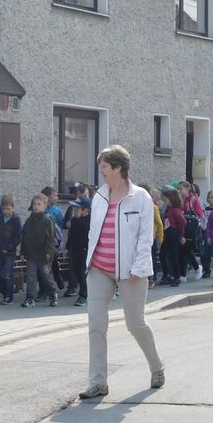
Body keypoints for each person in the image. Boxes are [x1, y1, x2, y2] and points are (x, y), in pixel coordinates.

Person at [79, 145, 165, 399]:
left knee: (135, 323)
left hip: (131, 272)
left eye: (104, 166)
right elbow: (93, 233)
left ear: (118, 167)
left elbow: (145, 237)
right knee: (96, 323)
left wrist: (139, 267)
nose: (101, 171)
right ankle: (98, 382)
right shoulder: (99, 196)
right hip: (99, 269)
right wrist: (89, 263)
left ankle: (157, 367)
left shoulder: (141, 198)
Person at [19, 193, 58, 308]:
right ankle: (30, 298)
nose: (36, 206)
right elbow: (24, 237)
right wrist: (22, 252)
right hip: (31, 255)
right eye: (34, 204)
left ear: (45, 206)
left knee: (46, 276)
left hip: (44, 255)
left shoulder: (47, 220)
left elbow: (51, 239)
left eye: (39, 204)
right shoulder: (29, 221)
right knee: (31, 277)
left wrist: (49, 254)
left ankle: (52, 295)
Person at [0, 194, 22, 305]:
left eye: (8, 209)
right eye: (4, 209)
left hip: (9, 252)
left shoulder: (16, 220)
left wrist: (9, 247)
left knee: (8, 274)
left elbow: (17, 237)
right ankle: (8, 289)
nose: (6, 211)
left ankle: (9, 296)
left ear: (13, 208)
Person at [66, 195, 91, 306]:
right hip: (75, 249)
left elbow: (86, 231)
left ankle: (83, 295)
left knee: (82, 272)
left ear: (85, 210)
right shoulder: (75, 220)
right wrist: (67, 247)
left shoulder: (89, 220)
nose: (75, 210)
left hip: (85, 250)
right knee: (76, 271)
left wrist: (78, 219)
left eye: (78, 208)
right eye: (75, 207)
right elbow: (71, 235)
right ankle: (84, 290)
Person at [159, 188, 186, 287]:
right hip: (167, 234)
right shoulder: (168, 209)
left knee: (173, 256)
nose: (164, 200)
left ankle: (176, 277)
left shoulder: (175, 210)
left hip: (173, 234)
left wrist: (180, 234)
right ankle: (167, 274)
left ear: (171, 199)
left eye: (166, 199)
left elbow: (183, 222)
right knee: (162, 255)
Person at [179, 181, 204, 280]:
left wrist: (189, 213)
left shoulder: (193, 200)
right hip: (182, 227)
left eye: (181, 188)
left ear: (187, 189)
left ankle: (184, 274)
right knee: (184, 250)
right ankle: (195, 269)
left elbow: (200, 214)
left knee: (186, 250)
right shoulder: (180, 199)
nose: (179, 190)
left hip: (190, 229)